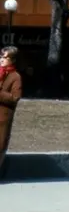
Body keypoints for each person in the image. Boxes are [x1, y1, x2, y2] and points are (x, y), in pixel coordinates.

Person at [0, 46, 23, 179]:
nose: (1, 60)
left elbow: (15, 98)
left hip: (3, 118)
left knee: (0, 146)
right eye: (0, 56)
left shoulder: (16, 77)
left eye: (5, 57)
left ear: (13, 60)